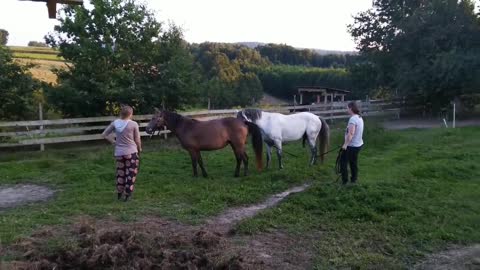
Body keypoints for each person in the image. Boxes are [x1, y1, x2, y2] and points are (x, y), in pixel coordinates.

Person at [102, 105, 142, 201]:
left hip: (119, 153)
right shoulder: (133, 124)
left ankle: (119, 193)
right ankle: (127, 195)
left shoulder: (115, 123)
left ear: (121, 113)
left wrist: (114, 142)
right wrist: (139, 148)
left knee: (121, 173)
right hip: (131, 152)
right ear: (131, 114)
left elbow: (104, 134)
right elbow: (137, 139)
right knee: (130, 173)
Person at [341, 101, 364, 185]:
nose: (346, 109)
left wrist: (345, 145)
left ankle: (345, 182)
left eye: (347, 108)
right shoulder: (359, 117)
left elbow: (351, 133)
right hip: (358, 144)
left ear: (351, 108)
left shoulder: (353, 119)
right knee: (353, 162)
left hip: (351, 145)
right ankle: (354, 180)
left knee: (343, 162)